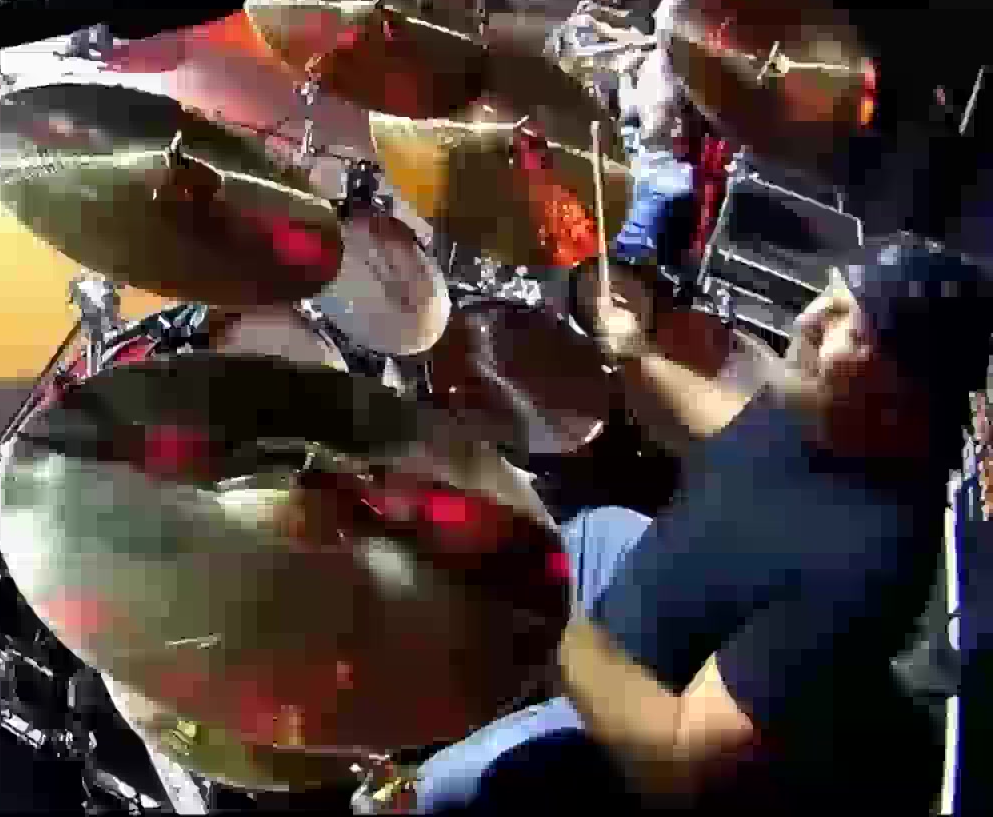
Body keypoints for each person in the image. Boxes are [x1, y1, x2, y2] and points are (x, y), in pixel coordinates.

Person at [415, 233, 988, 813]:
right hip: (634, 576)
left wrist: (546, 608)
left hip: (643, 708)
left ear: (899, 399)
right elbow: (722, 432)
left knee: (440, 788)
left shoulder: (863, 567)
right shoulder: (822, 403)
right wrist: (633, 352)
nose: (808, 321)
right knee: (584, 531)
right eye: (828, 296)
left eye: (851, 328)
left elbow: (676, 763)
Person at [572, 0, 701, 272]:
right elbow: (636, 25)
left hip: (662, 139)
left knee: (639, 219)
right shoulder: (656, 1)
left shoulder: (672, 6)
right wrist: (603, 19)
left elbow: (653, 43)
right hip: (648, 134)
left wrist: (603, 40)